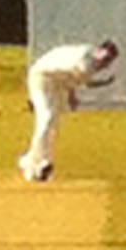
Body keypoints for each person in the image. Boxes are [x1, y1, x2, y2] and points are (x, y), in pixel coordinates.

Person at [19, 40, 119, 182]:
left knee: (53, 123)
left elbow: (69, 76)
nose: (107, 64)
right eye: (107, 59)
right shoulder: (86, 59)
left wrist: (73, 94)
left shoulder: (89, 58)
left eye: (110, 60)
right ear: (101, 53)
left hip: (55, 82)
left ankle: (39, 163)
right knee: (47, 118)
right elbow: (79, 75)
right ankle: (31, 162)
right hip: (41, 78)